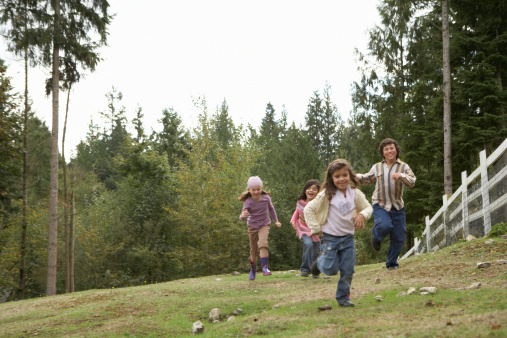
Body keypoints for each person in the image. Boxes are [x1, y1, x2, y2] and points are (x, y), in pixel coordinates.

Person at [305, 159, 372, 307]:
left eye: (344, 175)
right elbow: (308, 209)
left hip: (348, 238)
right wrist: (315, 228)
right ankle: (319, 263)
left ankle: (343, 298)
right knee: (330, 270)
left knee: (348, 270)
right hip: (330, 238)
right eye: (337, 176)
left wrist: (362, 215)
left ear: (350, 175)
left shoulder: (355, 193)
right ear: (331, 178)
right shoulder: (326, 194)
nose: (341, 179)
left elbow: (368, 207)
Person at [356, 138, 416, 270]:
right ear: (383, 153)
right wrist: (359, 177)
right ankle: (376, 235)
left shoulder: (403, 166)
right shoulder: (377, 167)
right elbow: (368, 179)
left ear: (396, 150)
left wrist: (401, 176)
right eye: (386, 149)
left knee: (399, 236)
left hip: (398, 206)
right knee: (384, 226)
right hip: (380, 204)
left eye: (391, 148)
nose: (389, 151)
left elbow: (412, 182)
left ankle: (392, 263)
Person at [239, 176, 282, 281]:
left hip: (264, 224)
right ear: (249, 190)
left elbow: (271, 209)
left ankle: (265, 268)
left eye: (258, 189)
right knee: (253, 251)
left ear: (262, 188)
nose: (256, 192)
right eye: (254, 190)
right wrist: (243, 216)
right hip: (252, 226)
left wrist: (276, 221)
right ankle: (253, 269)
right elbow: (242, 218)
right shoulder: (248, 201)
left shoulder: (266, 198)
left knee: (263, 244)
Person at [290, 179, 322, 278]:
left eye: (314, 189)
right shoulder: (301, 202)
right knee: (308, 245)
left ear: (318, 192)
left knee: (317, 251)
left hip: (316, 230)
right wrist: (293, 221)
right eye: (309, 188)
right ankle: (305, 269)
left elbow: (322, 216)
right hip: (303, 229)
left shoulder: (319, 204)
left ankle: (315, 271)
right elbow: (297, 213)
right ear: (305, 191)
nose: (311, 191)